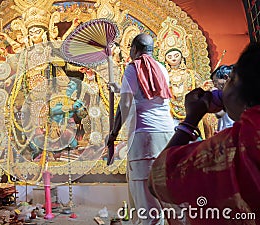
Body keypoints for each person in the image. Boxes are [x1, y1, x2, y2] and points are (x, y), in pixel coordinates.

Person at [148, 43, 260, 225]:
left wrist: (191, 119)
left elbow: (160, 178)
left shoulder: (238, 143)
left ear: (243, 87)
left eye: (231, 79)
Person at [107, 33, 174, 225]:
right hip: (167, 136)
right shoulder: (161, 68)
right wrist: (120, 88)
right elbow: (148, 94)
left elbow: (125, 105)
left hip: (145, 138)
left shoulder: (132, 67)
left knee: (146, 204)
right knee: (161, 198)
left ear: (134, 49)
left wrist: (113, 134)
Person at [210, 65, 235, 132]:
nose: (214, 85)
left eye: (215, 81)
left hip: (231, 130)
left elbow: (219, 114)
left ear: (225, 78)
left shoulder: (230, 93)